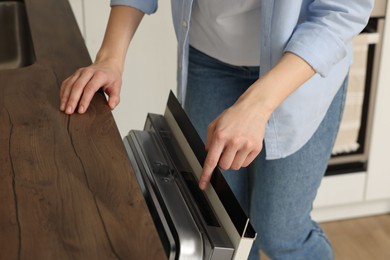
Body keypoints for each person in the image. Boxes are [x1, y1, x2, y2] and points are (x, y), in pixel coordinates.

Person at [60, 1, 373, 259]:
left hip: (298, 69)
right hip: (209, 60)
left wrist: (256, 104)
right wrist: (110, 58)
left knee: (281, 235)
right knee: (223, 227)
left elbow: (343, 10)